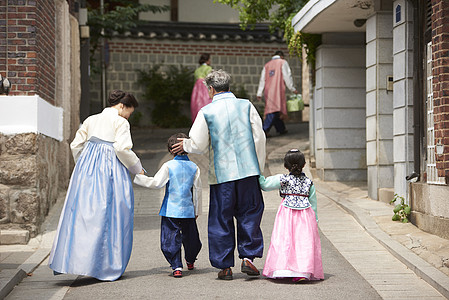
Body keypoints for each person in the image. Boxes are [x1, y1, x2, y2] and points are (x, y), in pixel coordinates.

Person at [172, 69, 266, 280]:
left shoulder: (207, 111)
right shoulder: (246, 105)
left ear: (211, 89)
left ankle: (225, 266)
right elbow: (259, 137)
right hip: (248, 171)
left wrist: (185, 144)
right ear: (229, 86)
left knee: (221, 218)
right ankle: (248, 257)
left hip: (222, 174)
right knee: (250, 213)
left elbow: (198, 143)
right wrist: (258, 167)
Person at [48, 90, 144, 281]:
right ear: (122, 106)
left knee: (84, 215)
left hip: (86, 169)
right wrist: (137, 168)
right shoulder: (120, 122)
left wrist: (83, 164)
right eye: (129, 112)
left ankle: (77, 261)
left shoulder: (91, 119)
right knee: (112, 214)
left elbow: (75, 145)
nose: (128, 116)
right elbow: (122, 148)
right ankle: (104, 264)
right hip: (111, 169)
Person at [133, 133, 202, 278]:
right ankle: (190, 260)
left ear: (170, 151)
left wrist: (138, 177)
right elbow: (197, 191)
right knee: (191, 238)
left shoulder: (168, 166)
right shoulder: (194, 167)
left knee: (170, 238)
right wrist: (197, 210)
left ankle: (176, 266)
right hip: (188, 210)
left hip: (170, 209)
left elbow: (156, 183)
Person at [259, 149, 324, 282]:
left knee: (283, 240)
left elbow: (264, 185)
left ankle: (281, 269)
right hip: (306, 215)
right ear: (304, 164)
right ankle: (303, 271)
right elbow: (314, 204)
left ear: (285, 165)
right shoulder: (309, 183)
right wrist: (315, 221)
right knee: (303, 242)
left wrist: (257, 172)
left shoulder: (282, 179)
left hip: (286, 214)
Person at [257, 50, 299, 136]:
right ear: (282, 56)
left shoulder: (267, 65)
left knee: (275, 110)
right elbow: (287, 76)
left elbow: (262, 79)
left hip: (268, 91)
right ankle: (264, 130)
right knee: (274, 110)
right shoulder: (283, 62)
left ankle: (281, 129)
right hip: (277, 91)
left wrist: (259, 93)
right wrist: (292, 88)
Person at [190, 53, 212, 122]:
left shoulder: (197, 70)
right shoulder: (208, 68)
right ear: (207, 60)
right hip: (205, 87)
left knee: (197, 104)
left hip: (197, 89)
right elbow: (210, 79)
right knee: (207, 103)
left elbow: (195, 81)